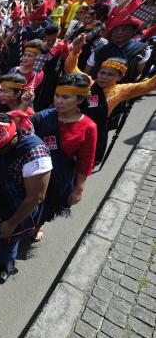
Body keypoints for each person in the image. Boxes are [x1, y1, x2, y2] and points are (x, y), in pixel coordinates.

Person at [0, 112, 52, 282]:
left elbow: (35, 197)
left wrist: (11, 223)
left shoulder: (35, 153)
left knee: (6, 242)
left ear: (13, 137)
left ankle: (5, 266)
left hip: (13, 209)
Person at [65, 33, 156, 163]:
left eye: (110, 74)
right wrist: (75, 51)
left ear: (119, 77)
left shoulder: (121, 91)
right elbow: (70, 68)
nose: (104, 77)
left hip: (95, 133)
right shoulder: (87, 82)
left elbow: (149, 85)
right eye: (102, 73)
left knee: (83, 166)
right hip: (73, 128)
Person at [31, 74, 97, 241]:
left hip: (59, 176)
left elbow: (86, 161)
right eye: (57, 95)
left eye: (65, 97)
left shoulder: (88, 127)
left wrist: (78, 189)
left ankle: (39, 224)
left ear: (80, 99)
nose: (58, 100)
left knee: (47, 205)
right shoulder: (43, 117)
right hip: (34, 171)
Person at [85, 15, 149, 83]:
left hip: (123, 90)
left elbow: (139, 73)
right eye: (115, 29)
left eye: (124, 29)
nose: (119, 32)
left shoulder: (142, 50)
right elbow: (86, 72)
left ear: (134, 31)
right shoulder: (100, 49)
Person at [33, 24, 71, 111]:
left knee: (46, 99)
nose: (50, 42)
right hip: (38, 75)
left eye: (52, 39)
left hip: (52, 77)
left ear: (58, 33)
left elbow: (66, 62)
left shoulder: (62, 46)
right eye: (48, 39)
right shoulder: (41, 44)